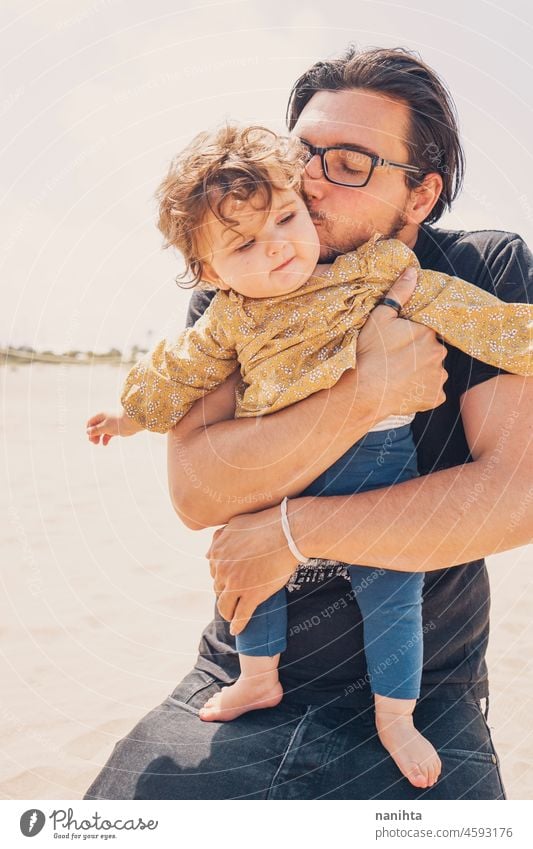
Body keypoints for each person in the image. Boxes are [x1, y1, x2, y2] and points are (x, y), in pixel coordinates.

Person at [84, 46, 532, 800]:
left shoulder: (481, 270)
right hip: (238, 672)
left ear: (419, 196)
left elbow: (514, 495)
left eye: (350, 163)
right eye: (303, 153)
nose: (311, 181)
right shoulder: (243, 283)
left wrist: (290, 531)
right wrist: (364, 391)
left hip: (425, 693)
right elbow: (196, 494)